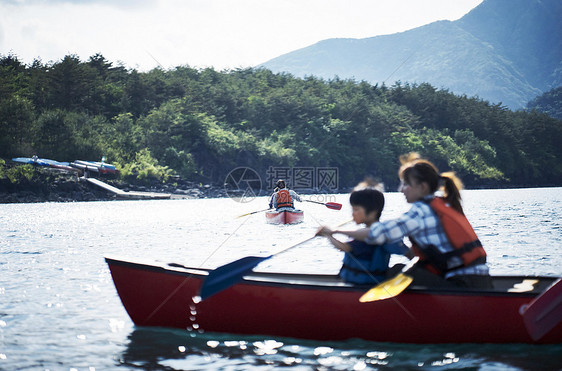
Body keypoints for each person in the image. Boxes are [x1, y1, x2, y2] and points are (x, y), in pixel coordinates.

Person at [321, 153, 493, 289]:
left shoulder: (422, 211)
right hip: (476, 281)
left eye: (406, 184)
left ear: (422, 187)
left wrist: (335, 231)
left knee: (398, 272)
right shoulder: (442, 204)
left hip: (463, 284)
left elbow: (379, 234)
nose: (401, 189)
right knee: (406, 269)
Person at [316, 183, 408, 285]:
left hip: (363, 286)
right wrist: (329, 234)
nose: (352, 214)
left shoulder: (371, 236)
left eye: (356, 210)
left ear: (373, 212)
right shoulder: (369, 233)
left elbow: (344, 247)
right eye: (352, 209)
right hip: (364, 283)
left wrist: (329, 235)